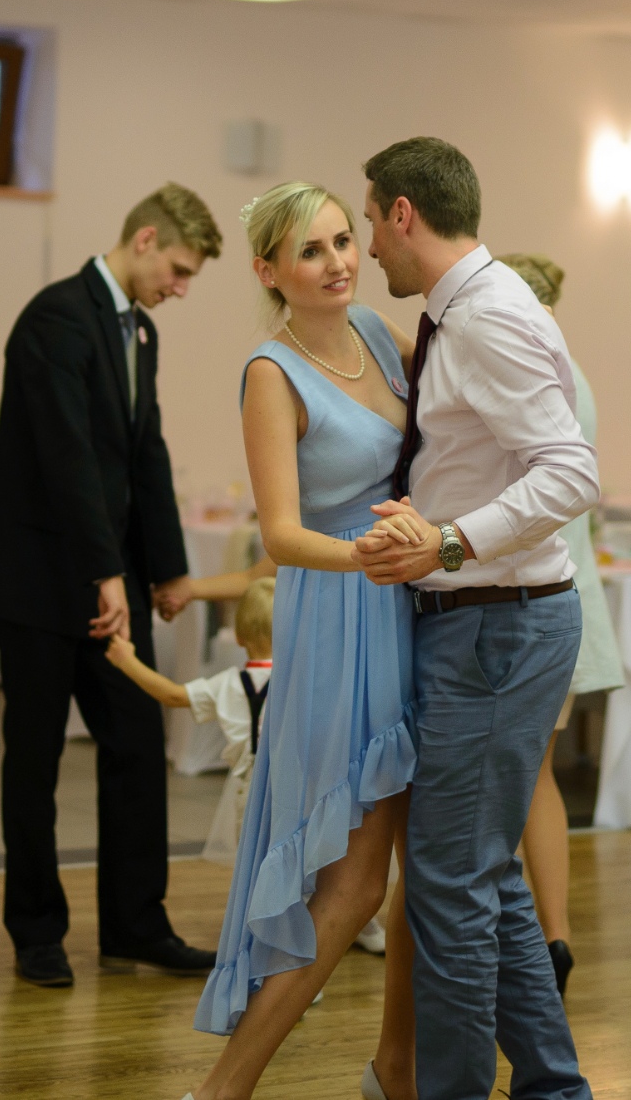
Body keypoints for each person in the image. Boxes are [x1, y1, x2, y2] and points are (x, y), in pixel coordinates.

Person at [353, 137, 600, 1100]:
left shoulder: (488, 314)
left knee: (451, 886)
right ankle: (554, 1088)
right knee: (479, 877)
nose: (369, 246)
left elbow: (570, 472)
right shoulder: (466, 310)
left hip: (498, 624)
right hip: (490, 621)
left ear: (403, 212)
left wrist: (447, 543)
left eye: (369, 223)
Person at [178, 183, 418, 1100]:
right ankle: (222, 1088)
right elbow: (279, 533)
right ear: (269, 270)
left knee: (423, 871)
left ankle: (399, 1069)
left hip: (408, 601)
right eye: (311, 250)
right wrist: (371, 555)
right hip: (342, 614)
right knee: (352, 884)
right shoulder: (270, 373)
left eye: (344, 239)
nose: (338, 261)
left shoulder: (379, 335)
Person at [0, 183, 223, 989]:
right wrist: (106, 572)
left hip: (106, 577)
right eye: (179, 269)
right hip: (38, 580)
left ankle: (136, 925)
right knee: (35, 757)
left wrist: (168, 569)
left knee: (137, 745)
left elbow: (144, 452)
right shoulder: (57, 317)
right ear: (145, 239)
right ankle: (36, 931)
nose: (180, 288)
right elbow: (67, 457)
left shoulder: (139, 329)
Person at [501, 250, 619, 996]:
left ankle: (511, 935)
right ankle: (554, 934)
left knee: (506, 779)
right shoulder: (577, 375)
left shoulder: (527, 372)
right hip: (572, 598)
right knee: (537, 776)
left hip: (529, 599)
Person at [108, 574, 277, 867]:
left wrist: (127, 661)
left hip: (251, 792)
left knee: (253, 866)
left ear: (239, 637)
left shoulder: (229, 684)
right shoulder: (298, 680)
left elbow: (173, 695)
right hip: (295, 788)